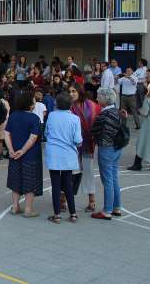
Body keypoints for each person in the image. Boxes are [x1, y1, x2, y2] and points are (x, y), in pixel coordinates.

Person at [44, 92, 82, 224]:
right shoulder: (75, 119)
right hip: (68, 154)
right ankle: (73, 214)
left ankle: (57, 215)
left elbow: (46, 133)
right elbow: (78, 140)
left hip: (54, 153)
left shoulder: (51, 116)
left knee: (55, 184)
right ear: (71, 105)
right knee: (68, 184)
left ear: (57, 104)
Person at [4, 92, 42, 218]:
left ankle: (15, 207)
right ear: (30, 105)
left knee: (16, 180)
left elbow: (6, 134)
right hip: (30, 155)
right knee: (30, 181)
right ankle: (28, 209)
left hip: (14, 154)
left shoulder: (13, 116)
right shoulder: (34, 118)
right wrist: (23, 150)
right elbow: (33, 137)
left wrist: (10, 149)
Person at [91, 87, 124, 220]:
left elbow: (94, 131)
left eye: (99, 96)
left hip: (106, 148)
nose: (97, 98)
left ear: (105, 98)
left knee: (107, 180)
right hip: (117, 147)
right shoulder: (117, 112)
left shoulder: (103, 115)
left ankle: (107, 210)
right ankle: (117, 207)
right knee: (114, 177)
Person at [68, 83, 100, 212]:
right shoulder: (67, 105)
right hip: (71, 146)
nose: (71, 94)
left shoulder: (92, 106)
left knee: (88, 171)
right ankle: (63, 199)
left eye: (73, 91)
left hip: (88, 144)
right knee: (69, 172)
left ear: (80, 92)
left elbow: (99, 121)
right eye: (69, 91)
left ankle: (92, 201)